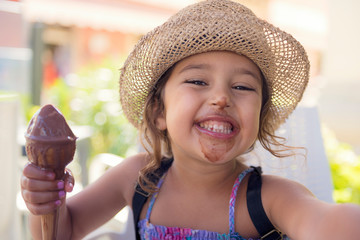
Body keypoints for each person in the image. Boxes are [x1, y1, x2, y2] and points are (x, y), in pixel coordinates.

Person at [21, 0, 360, 239]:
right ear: (159, 111)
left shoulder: (270, 199)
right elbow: (63, 231)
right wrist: (44, 205)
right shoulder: (138, 178)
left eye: (242, 86)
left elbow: (326, 223)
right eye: (198, 81)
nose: (221, 97)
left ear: (259, 118)